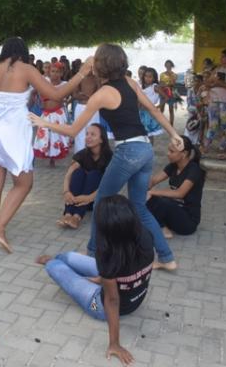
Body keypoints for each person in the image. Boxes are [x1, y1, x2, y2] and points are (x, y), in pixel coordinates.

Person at [30, 43, 182, 271]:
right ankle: (167, 258)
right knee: (139, 207)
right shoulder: (130, 82)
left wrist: (44, 122)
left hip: (128, 152)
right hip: (145, 150)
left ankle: (92, 255)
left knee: (101, 202)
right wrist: (174, 134)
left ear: (101, 65)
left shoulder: (102, 95)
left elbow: (73, 131)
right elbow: (154, 110)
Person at [0, 37, 93, 253]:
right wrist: (82, 72)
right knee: (24, 184)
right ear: (23, 52)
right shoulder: (26, 69)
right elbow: (55, 93)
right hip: (13, 132)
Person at [36, 195, 154, 367]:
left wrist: (114, 344)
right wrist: (98, 280)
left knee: (54, 267)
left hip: (99, 306)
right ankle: (62, 263)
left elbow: (112, 301)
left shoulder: (107, 252)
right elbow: (123, 273)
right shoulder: (145, 234)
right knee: (67, 257)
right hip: (133, 297)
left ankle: (53, 263)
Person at [147, 136, 205, 237]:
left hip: (188, 222)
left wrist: (152, 192)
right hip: (175, 212)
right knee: (150, 199)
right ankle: (159, 224)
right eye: (168, 150)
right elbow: (154, 180)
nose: (168, 154)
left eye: (172, 151)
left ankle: (162, 228)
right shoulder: (173, 166)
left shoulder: (194, 170)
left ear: (184, 154)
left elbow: (180, 194)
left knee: (162, 201)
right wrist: (142, 188)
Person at [59, 124, 112, 229]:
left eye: (93, 135)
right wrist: (66, 192)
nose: (88, 137)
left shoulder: (110, 157)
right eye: (87, 134)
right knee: (78, 172)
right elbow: (69, 174)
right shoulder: (82, 154)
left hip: (97, 200)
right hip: (77, 200)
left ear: (102, 140)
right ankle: (68, 214)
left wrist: (89, 197)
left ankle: (77, 217)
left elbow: (109, 185)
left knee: (94, 174)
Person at [33, 62, 71, 167]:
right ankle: (47, 153)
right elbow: (34, 92)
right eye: (52, 71)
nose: (55, 74)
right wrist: (38, 101)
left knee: (56, 135)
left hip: (58, 113)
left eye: (57, 72)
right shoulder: (44, 82)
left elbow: (69, 95)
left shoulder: (65, 85)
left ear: (62, 73)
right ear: (49, 72)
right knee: (45, 135)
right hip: (46, 113)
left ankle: (54, 156)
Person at [71, 69, 100, 154]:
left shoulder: (96, 79)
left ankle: (93, 153)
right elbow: (74, 94)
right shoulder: (79, 79)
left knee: (94, 129)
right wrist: (84, 96)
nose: (89, 70)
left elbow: (100, 92)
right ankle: (80, 154)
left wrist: (90, 97)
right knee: (79, 131)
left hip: (93, 107)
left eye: (91, 68)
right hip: (80, 107)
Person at [140, 67, 167, 144]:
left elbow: (166, 97)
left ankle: (150, 149)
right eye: (146, 76)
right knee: (143, 134)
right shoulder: (143, 87)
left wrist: (158, 106)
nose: (147, 78)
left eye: (150, 77)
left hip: (149, 113)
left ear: (154, 78)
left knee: (149, 134)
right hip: (142, 112)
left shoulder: (155, 87)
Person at [159, 60, 178, 126]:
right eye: (167, 64)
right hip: (163, 93)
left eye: (169, 65)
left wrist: (170, 76)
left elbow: (173, 84)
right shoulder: (162, 74)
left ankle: (171, 124)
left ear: (171, 66)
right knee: (161, 109)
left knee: (171, 109)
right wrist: (163, 86)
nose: (168, 66)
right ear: (165, 65)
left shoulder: (174, 75)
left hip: (171, 93)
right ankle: (160, 123)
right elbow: (160, 83)